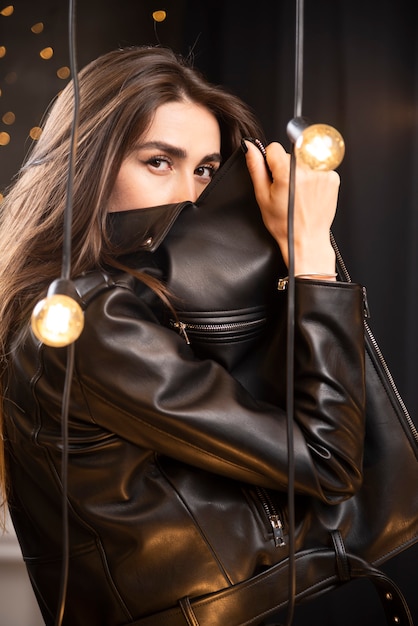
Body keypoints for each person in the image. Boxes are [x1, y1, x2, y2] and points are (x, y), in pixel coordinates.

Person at [0, 46, 366, 625]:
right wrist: (312, 256)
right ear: (87, 166)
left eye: (204, 169)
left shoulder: (104, 307)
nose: (191, 197)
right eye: (158, 161)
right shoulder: (88, 324)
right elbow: (326, 464)